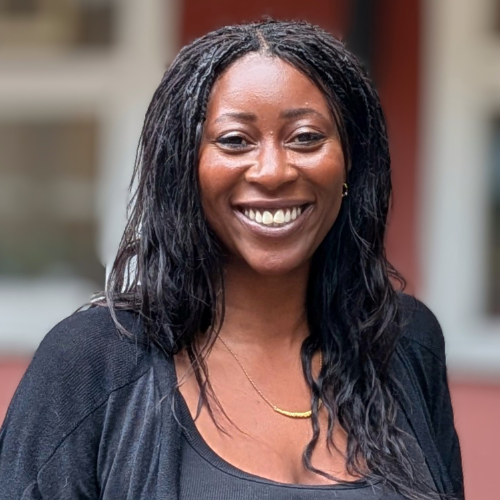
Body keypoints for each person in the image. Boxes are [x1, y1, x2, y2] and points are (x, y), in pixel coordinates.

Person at [0, 20, 463, 500]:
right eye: (235, 140)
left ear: (350, 163)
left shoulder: (403, 341)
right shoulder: (90, 363)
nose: (272, 171)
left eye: (305, 137)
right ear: (185, 168)